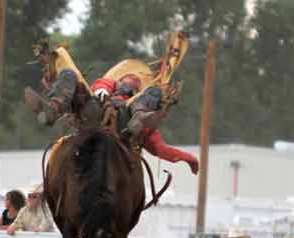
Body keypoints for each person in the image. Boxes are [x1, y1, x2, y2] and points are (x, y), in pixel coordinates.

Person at [24, 34, 199, 175]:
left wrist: (188, 158)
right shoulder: (104, 85)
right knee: (69, 74)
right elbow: (100, 85)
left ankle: (138, 116)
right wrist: (104, 92)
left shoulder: (144, 97)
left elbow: (159, 148)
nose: (132, 80)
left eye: (136, 81)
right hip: (95, 110)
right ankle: (53, 110)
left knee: (154, 93)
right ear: (119, 79)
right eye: (128, 77)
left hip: (126, 123)